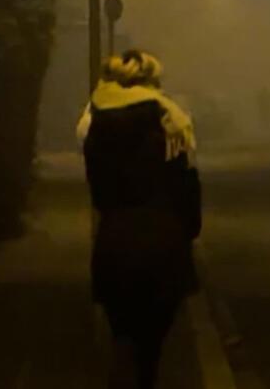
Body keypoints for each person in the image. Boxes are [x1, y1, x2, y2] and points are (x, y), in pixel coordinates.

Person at [79, 49, 201, 389]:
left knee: (122, 339)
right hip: (164, 241)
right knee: (153, 346)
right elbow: (188, 188)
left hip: (115, 240)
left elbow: (97, 191)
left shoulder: (94, 124)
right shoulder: (172, 122)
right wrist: (187, 233)